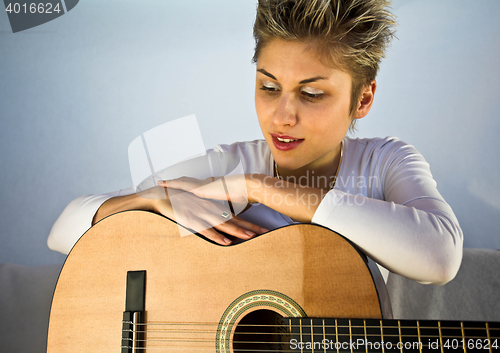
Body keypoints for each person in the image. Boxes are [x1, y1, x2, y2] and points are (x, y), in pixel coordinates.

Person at [48, 0, 463, 285]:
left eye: (312, 94)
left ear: (363, 98)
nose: (281, 116)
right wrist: (151, 199)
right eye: (268, 86)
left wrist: (258, 187)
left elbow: (440, 257)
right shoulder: (225, 164)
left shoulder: (386, 161)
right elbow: (63, 231)